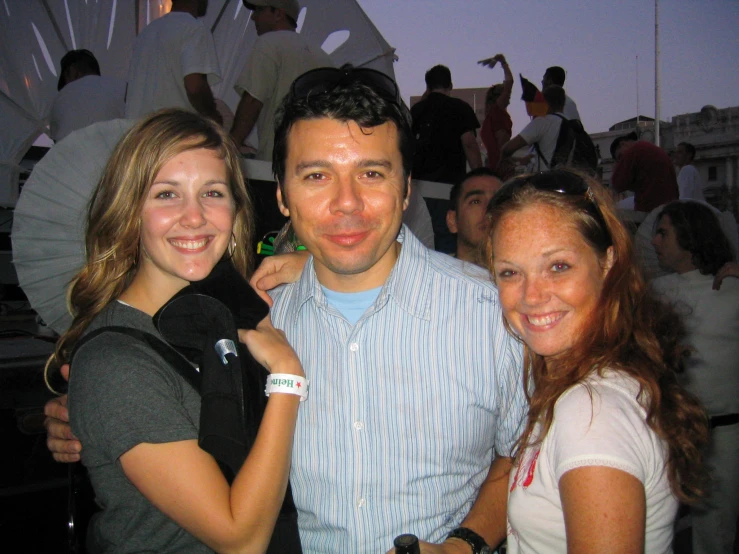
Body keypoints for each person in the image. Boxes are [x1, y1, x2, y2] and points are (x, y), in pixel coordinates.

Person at [46, 67, 528, 554]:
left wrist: (464, 544)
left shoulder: (495, 313)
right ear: (281, 194)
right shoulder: (262, 321)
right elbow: (142, 397)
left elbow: (529, 454)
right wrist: (88, 412)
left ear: (407, 189)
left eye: (372, 173)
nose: (347, 203)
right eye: (317, 175)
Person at [51, 109, 305, 552]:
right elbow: (240, 539)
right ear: (130, 211)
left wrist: (318, 266)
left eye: (212, 192)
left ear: (234, 210)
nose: (194, 217)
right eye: (167, 194)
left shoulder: (229, 308)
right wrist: (286, 374)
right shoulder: (117, 362)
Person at [482, 169, 709, 553]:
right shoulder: (584, 382)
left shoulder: (590, 412)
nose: (531, 296)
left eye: (558, 266)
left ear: (607, 262)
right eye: (510, 272)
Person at [650, 201, 739, 554]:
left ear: (690, 235)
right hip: (669, 433)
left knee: (714, 536)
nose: (655, 242)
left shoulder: (732, 287)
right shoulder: (654, 292)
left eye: (663, 233)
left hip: (724, 434)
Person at [230, 0, 333, 160]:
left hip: (275, 163)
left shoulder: (268, 44)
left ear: (278, 14)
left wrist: (231, 144)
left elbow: (252, 102)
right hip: (314, 162)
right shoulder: (323, 56)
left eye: (259, 10)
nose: (253, 17)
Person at [125, 0, 222, 124]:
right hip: (171, 132)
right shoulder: (194, 28)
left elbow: (128, 94)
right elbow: (195, 86)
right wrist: (213, 116)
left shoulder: (146, 33)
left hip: (139, 134)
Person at [411, 64, 482, 185]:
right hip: (450, 183)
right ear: (450, 85)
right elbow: (469, 144)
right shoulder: (461, 108)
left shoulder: (416, 111)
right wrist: (480, 177)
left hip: (419, 184)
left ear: (428, 87)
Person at [49, 49, 126, 142]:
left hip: (74, 154)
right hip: (120, 153)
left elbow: (56, 141)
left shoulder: (59, 98)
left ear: (73, 72)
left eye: (66, 79)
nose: (66, 85)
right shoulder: (123, 87)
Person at [501, 85, 566, 172]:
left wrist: (516, 162)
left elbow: (507, 149)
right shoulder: (570, 124)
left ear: (545, 102)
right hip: (564, 179)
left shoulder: (543, 121)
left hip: (543, 179)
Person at [610, 132, 679, 212]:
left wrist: (616, 168)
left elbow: (617, 184)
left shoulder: (634, 150)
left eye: (620, 157)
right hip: (670, 208)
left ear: (622, 144)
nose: (621, 161)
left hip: (652, 209)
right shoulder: (651, 149)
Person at [446, 168, 503, 264]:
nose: (489, 209)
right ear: (452, 221)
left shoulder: (528, 275)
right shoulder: (431, 275)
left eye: (499, 201)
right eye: (476, 202)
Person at [478, 54, 514, 179]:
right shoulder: (498, 112)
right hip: (501, 169)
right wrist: (503, 62)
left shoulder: (490, 117)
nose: (509, 96)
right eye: (506, 94)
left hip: (494, 166)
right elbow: (510, 82)